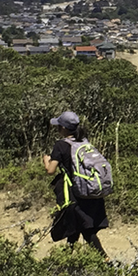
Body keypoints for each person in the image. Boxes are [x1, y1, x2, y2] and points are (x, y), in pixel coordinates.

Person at [42, 110, 108, 256]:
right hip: (89, 191)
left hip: (73, 194)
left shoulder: (61, 145)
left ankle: (107, 262)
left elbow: (51, 170)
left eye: (58, 126)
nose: (57, 129)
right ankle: (67, 259)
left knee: (85, 231)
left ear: (64, 128)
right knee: (76, 228)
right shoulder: (83, 141)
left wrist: (46, 160)